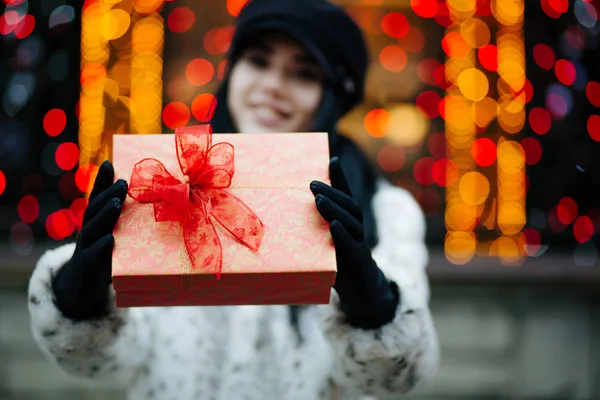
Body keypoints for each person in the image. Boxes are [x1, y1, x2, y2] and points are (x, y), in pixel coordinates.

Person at [27, 0, 439, 399]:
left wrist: (374, 304)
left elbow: (397, 379)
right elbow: (110, 361)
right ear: (233, 70)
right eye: (259, 61)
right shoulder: (170, 181)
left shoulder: (385, 209)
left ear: (332, 96)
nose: (273, 86)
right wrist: (78, 299)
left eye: (304, 73)